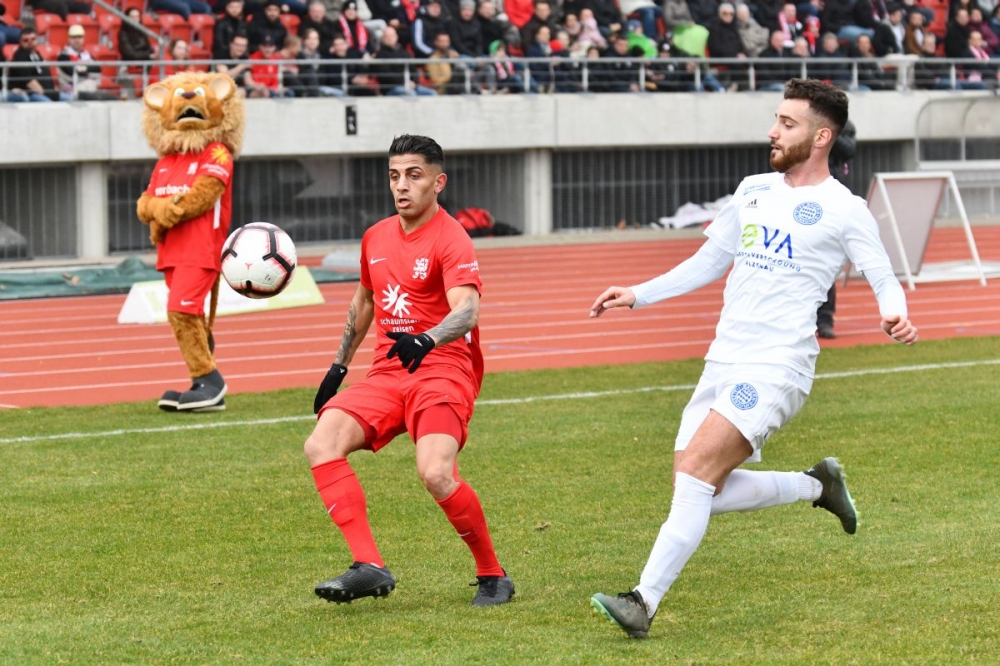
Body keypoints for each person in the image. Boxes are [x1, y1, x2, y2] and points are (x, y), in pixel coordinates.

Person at [587, 79, 918, 639]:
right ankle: (818, 486)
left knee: (694, 477)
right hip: (724, 359)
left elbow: (881, 270)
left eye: (787, 123)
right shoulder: (753, 188)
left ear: (821, 136)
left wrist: (895, 311)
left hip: (777, 364)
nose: (773, 130)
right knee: (697, 491)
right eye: (776, 119)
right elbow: (708, 260)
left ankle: (642, 600)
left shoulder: (845, 208)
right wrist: (638, 292)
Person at [305, 134, 514, 608]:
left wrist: (427, 338)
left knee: (436, 473)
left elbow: (468, 311)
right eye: (394, 176)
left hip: (443, 371)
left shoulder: (452, 237)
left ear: (439, 183)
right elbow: (364, 301)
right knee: (320, 443)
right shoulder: (375, 236)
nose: (402, 186)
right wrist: (338, 367)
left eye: (414, 175)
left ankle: (492, 574)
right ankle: (369, 566)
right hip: (388, 373)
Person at [815, 117, 856, 339]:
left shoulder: (845, 126)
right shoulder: (803, 124)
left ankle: (824, 319)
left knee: (826, 261)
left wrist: (830, 129)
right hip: (804, 195)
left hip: (831, 201)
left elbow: (848, 149)